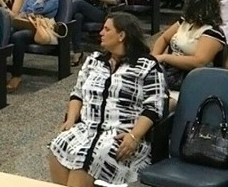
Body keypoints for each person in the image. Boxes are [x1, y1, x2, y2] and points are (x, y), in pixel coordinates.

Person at [48, 13, 167, 186]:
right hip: (87, 128)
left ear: (121, 35)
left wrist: (134, 136)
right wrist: (71, 119)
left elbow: (153, 108)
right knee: (58, 146)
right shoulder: (94, 61)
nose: (101, 33)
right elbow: (77, 94)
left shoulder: (147, 66)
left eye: (107, 29)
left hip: (122, 134)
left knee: (86, 159)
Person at [151, 0, 226, 93]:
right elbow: (164, 38)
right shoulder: (184, 21)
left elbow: (199, 62)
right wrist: (153, 58)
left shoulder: (213, 33)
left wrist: (165, 58)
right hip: (169, 72)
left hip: (192, 80)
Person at [7, 0, 59, 91]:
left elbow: (37, 10)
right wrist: (25, 15)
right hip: (28, 25)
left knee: (18, 37)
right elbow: (22, 12)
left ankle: (16, 75)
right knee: (7, 31)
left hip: (42, 28)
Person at [70, 0, 122, 66]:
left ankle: (63, 23)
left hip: (103, 12)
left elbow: (116, 0)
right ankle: (77, 51)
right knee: (78, 16)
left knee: (77, 3)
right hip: (90, 8)